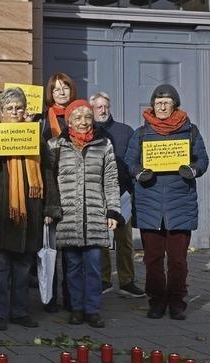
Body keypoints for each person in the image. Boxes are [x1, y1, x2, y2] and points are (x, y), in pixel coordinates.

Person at [124, 84, 208, 320]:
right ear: (152, 105)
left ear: (175, 105)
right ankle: (156, 301)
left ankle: (177, 301)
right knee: (152, 260)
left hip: (180, 205)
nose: (162, 106)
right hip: (149, 205)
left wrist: (193, 169)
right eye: (158, 102)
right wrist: (138, 173)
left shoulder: (190, 131)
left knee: (178, 261)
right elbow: (129, 162)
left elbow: (202, 159)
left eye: (167, 102)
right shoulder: (141, 133)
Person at [0, 87, 54, 330]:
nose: (14, 112)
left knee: (22, 266)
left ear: (24, 110)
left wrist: (51, 207)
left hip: (30, 210)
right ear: (1, 110)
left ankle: (20, 311)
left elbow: (47, 171)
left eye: (19, 108)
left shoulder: (34, 135)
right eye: (9, 108)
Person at [46, 99, 123, 328]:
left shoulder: (104, 144)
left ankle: (92, 310)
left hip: (95, 215)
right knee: (71, 268)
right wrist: (51, 209)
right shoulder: (55, 146)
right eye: (77, 118)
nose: (83, 122)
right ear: (68, 120)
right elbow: (50, 181)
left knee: (94, 267)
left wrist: (113, 211)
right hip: (68, 216)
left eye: (87, 117)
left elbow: (110, 180)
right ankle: (76, 309)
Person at [89, 92, 145, 298]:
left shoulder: (125, 131)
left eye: (105, 106)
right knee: (101, 240)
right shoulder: (89, 131)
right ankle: (104, 280)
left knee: (125, 240)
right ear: (92, 109)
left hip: (122, 193)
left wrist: (132, 190)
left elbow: (134, 160)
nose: (102, 110)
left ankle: (127, 280)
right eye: (98, 107)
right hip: (97, 194)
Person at [41, 72, 78, 313]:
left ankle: (72, 297)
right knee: (52, 245)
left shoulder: (82, 114)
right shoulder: (43, 119)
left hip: (75, 185)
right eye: (56, 89)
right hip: (52, 187)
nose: (61, 92)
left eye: (65, 87)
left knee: (72, 248)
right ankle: (51, 297)